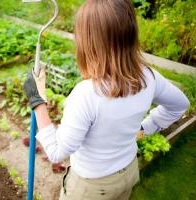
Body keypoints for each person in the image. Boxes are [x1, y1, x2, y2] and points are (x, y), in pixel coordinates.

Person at [23, 0, 190, 199]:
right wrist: (147, 127)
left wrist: (37, 101)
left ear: (89, 42)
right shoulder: (149, 77)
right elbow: (180, 105)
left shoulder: (86, 94)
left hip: (91, 189)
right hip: (127, 173)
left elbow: (57, 152)